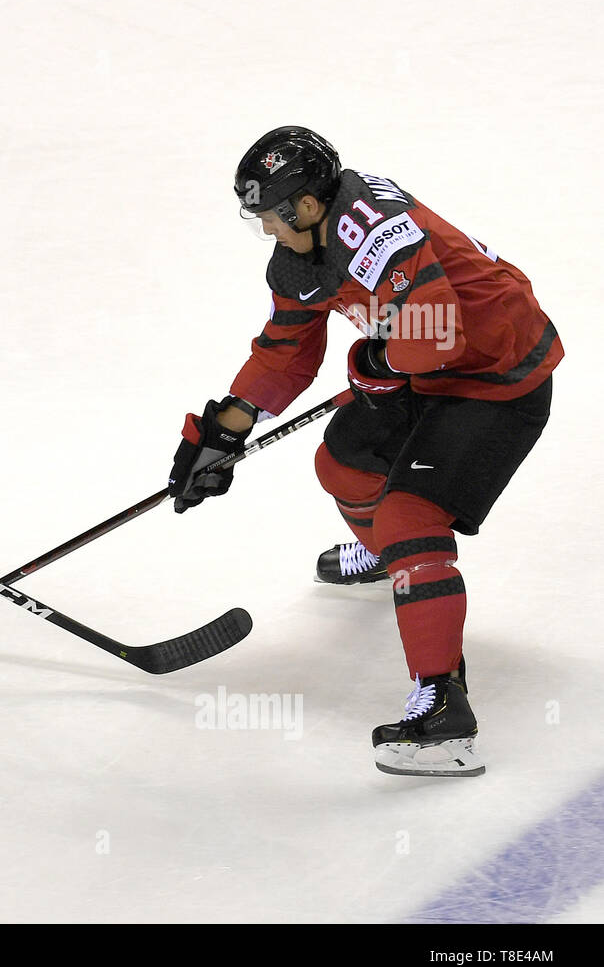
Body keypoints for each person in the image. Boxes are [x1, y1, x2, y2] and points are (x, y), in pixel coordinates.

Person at [168, 126, 562, 777]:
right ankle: (392, 562)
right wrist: (224, 431)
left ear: (308, 207)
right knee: (343, 463)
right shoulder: (304, 252)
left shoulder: (379, 234)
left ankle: (443, 714)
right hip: (428, 371)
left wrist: (379, 358)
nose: (266, 228)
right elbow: (287, 350)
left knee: (409, 515)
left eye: (269, 214)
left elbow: (435, 332)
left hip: (497, 377)